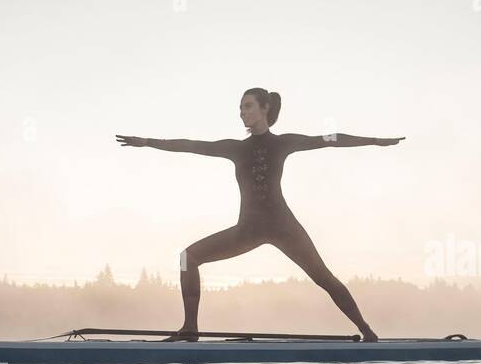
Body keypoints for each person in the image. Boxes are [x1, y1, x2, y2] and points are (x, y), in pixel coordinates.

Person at [117, 88, 402, 342]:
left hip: (283, 227)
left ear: (265, 108)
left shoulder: (283, 143)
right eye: (240, 108)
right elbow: (191, 145)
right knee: (187, 258)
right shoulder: (236, 148)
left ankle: (367, 332)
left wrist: (376, 140)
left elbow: (330, 139)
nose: (242, 112)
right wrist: (146, 141)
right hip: (248, 230)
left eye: (248, 106)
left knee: (323, 277)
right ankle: (190, 329)